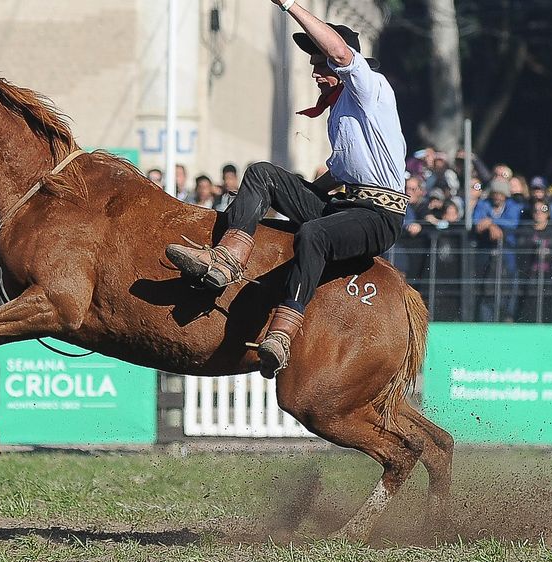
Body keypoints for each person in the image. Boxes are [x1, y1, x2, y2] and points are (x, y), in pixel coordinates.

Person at [165, 4, 407, 378]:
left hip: (379, 216)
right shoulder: (341, 110)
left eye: (320, 63)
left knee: (313, 233)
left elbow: (342, 53)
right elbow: (338, 173)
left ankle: (282, 332)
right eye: (313, 63)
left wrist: (291, 5)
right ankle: (226, 260)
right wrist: (297, 193)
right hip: (346, 206)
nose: (315, 71)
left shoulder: (371, 87)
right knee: (263, 174)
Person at [471, 179, 520, 322]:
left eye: (501, 193)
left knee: (509, 289)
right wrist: (491, 226)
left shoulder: (512, 206)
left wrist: (491, 223)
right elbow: (477, 222)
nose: (498, 196)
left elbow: (513, 223)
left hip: (507, 255)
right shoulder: (484, 204)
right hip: (486, 255)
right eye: (495, 193)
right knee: (486, 290)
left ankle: (508, 317)